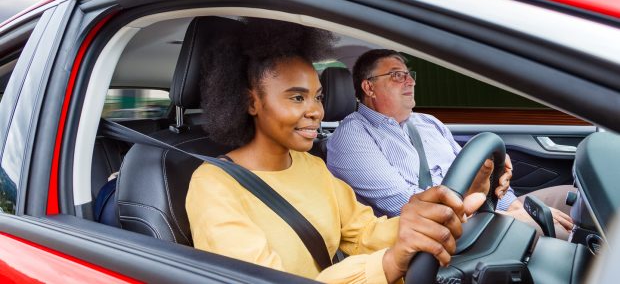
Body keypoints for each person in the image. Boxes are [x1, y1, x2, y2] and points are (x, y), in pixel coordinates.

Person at [186, 20, 498, 284]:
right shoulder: (214, 185)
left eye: (317, 97)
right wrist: (388, 263)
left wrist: (426, 215)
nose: (315, 111)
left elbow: (364, 232)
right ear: (251, 102)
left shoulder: (312, 167)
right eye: (297, 98)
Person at [326, 49, 574, 240]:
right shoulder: (352, 137)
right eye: (397, 76)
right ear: (369, 87)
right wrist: (507, 216)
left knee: (573, 199)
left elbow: (472, 170)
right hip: (436, 234)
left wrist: (513, 204)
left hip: (477, 212)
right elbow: (406, 206)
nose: (410, 82)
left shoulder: (428, 123)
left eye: (409, 75)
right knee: (562, 232)